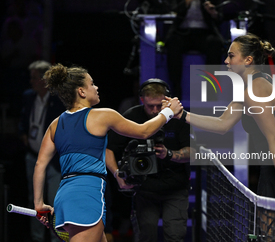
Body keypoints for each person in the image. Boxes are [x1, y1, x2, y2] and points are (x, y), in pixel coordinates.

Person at [164, 33, 275, 201]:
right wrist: (182, 115)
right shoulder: (255, 85)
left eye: (231, 56)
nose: (226, 61)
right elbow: (222, 124)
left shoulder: (255, 90)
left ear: (248, 60)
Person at [33, 64, 182, 242]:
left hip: (64, 197)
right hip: (86, 196)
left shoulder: (55, 124)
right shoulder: (103, 115)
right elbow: (144, 131)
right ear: (81, 91)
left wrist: (39, 204)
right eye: (92, 84)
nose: (96, 88)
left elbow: (40, 165)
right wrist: (168, 112)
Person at [106, 78, 195, 242]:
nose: (154, 110)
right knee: (145, 236)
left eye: (158, 105)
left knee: (175, 236)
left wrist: (169, 154)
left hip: (175, 186)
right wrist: (117, 174)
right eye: (150, 106)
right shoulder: (131, 115)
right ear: (142, 100)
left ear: (167, 100)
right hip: (143, 187)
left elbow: (193, 152)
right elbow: (109, 148)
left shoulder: (180, 117)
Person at [18, 60, 65, 242]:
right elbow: (24, 120)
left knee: (53, 201)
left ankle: (56, 238)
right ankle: (36, 238)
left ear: (45, 80)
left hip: (53, 160)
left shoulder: (58, 100)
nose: (31, 81)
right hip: (32, 156)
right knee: (34, 201)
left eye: (34, 78)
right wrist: (24, 136)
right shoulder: (28, 96)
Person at [165, 0, 224, 98]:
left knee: (215, 44)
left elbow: (220, 18)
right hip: (182, 31)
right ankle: (176, 89)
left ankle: (211, 89)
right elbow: (174, 10)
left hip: (204, 32)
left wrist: (213, 12)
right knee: (173, 44)